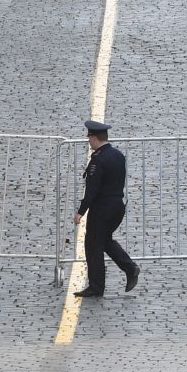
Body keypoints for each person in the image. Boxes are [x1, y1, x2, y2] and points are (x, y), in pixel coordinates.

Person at [73, 119, 139, 296]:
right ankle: (130, 268)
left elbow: (92, 190)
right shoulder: (118, 155)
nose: (88, 141)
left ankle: (97, 287)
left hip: (102, 209)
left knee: (93, 245)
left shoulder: (97, 160)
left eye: (89, 138)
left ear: (94, 138)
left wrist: (80, 212)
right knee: (104, 241)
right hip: (117, 207)